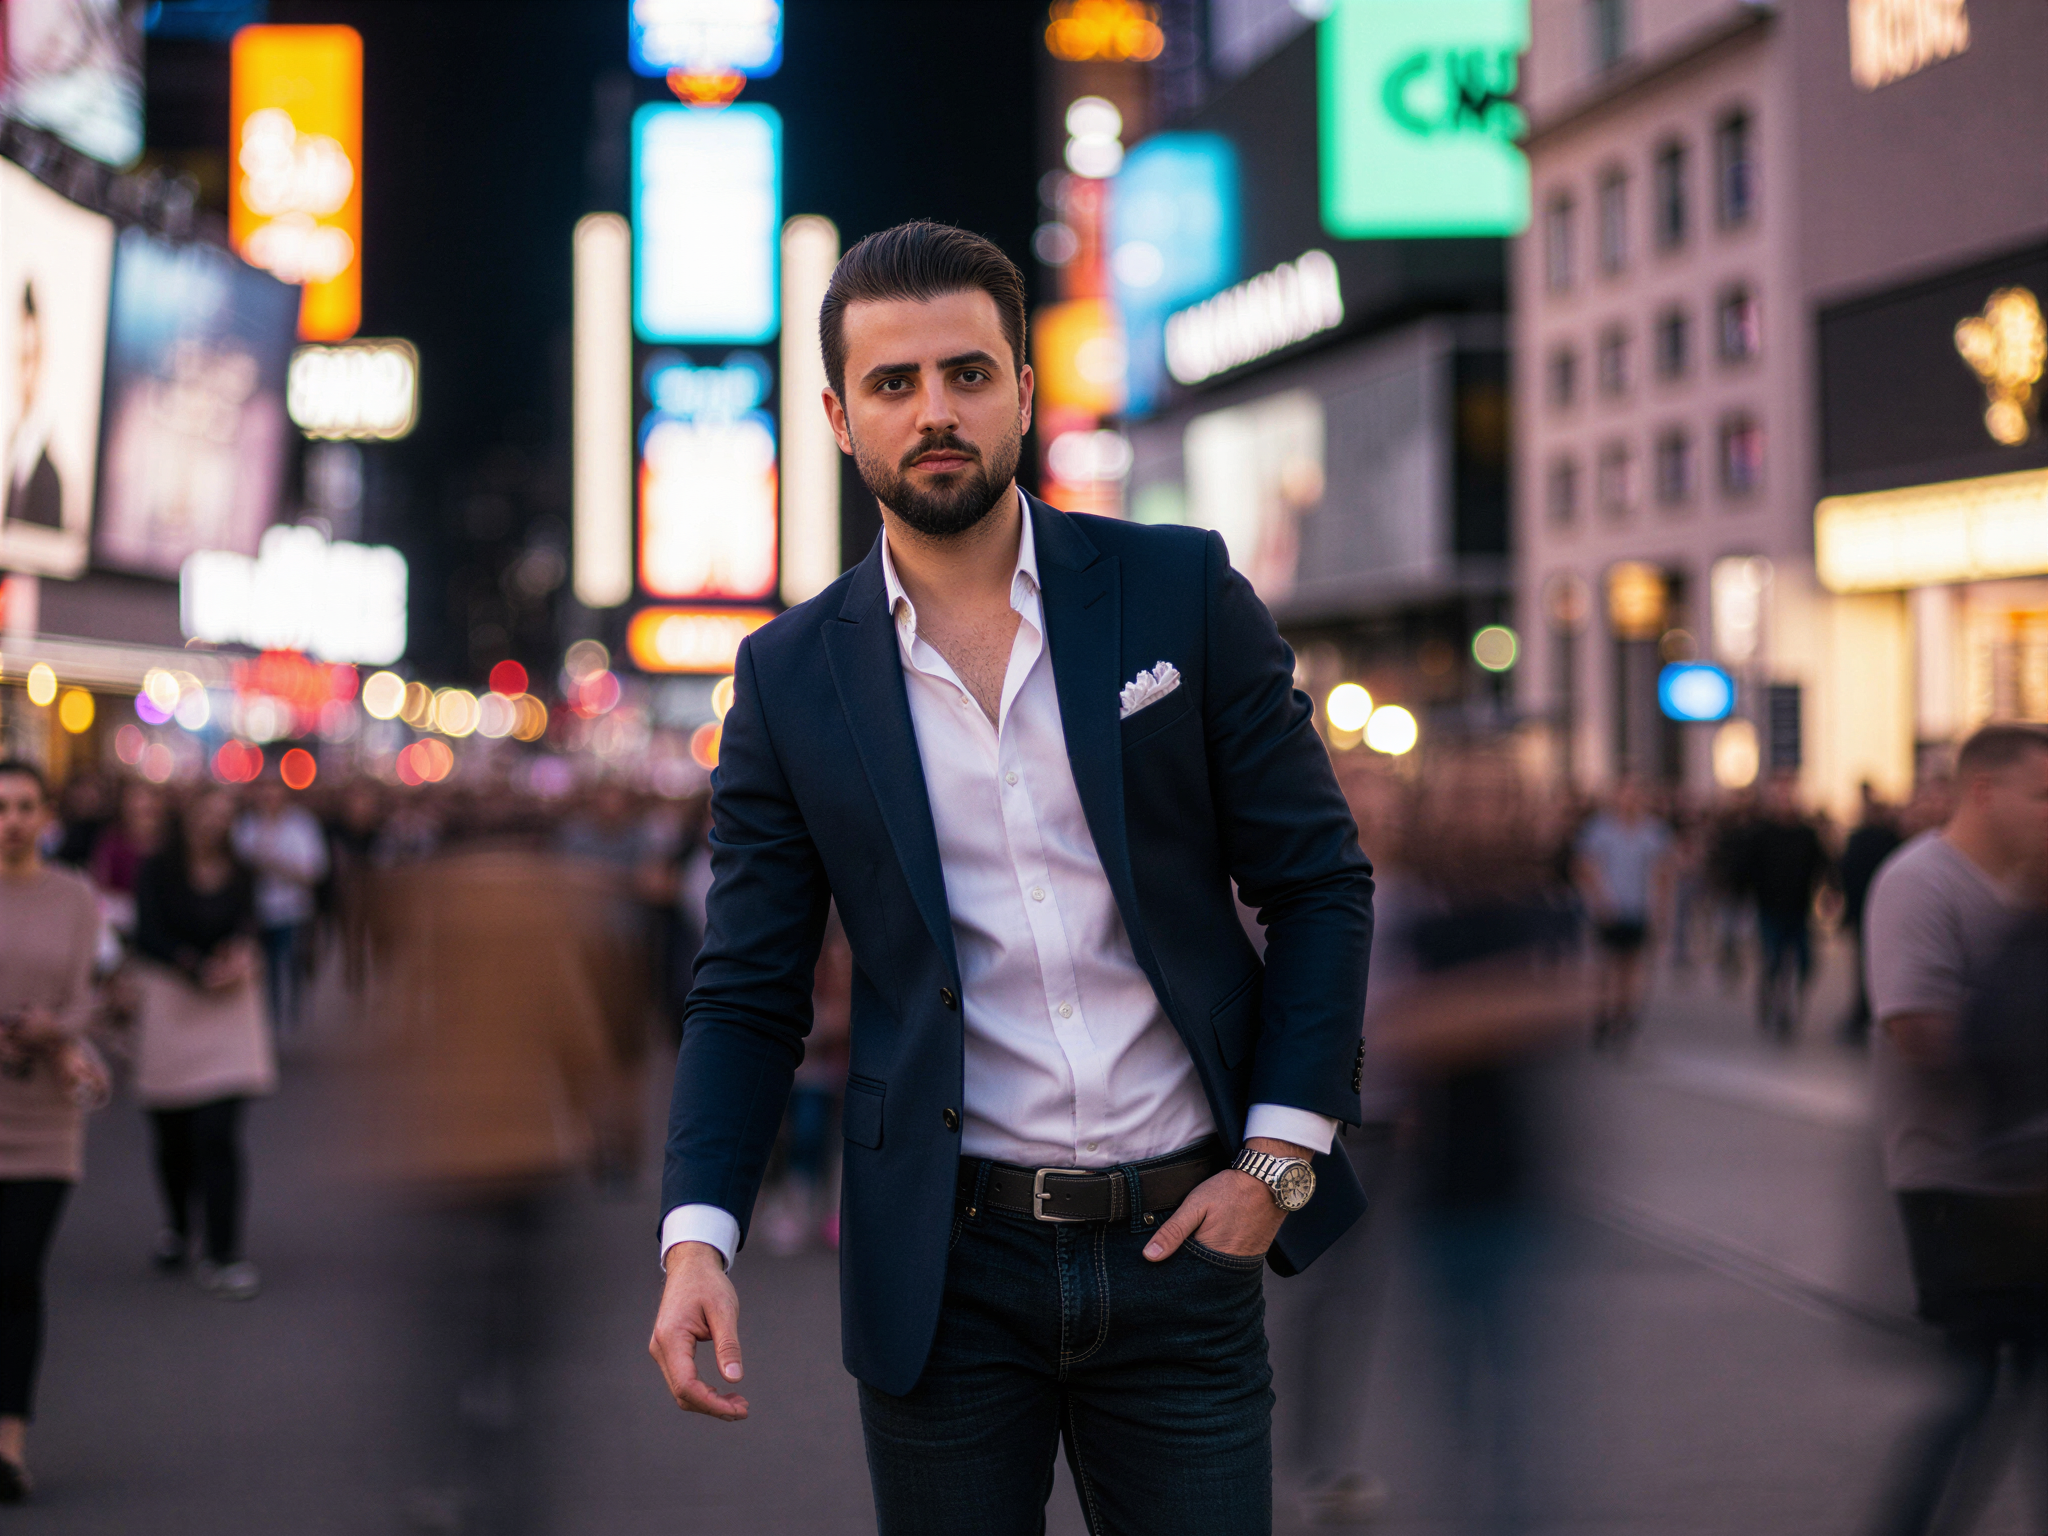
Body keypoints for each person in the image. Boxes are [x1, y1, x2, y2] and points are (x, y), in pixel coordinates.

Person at [649, 222, 1374, 1536]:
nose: (936, 410)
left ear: (1026, 392)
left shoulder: (1179, 592)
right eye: (894, 382)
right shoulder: (789, 678)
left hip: (1184, 1245)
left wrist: (1276, 1166)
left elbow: (1320, 884)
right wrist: (698, 1230)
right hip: (945, 1266)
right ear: (838, 414)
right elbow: (748, 991)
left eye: (970, 374)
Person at [1862, 723, 2048, 1536]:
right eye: (2043, 795)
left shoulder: (2027, 889)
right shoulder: (1921, 883)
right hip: (1956, 1185)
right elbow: (1916, 1028)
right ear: (1985, 792)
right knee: (1972, 1388)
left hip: (2028, 1182)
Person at [0, 761, 109, 1503]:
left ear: (46, 816)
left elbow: (84, 998)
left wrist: (52, 1031)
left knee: (16, 1273)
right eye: (0, 806)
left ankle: (8, 1444)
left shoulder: (75, 897)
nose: (12, 819)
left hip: (44, 1119)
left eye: (25, 806)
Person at [133, 788, 276, 1300]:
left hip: (227, 1008)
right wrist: (193, 966)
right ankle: (178, 1222)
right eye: (206, 813)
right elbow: (147, 932)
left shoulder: (242, 872)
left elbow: (249, 924)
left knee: (219, 1132)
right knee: (173, 1132)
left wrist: (238, 956)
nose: (214, 824)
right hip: (173, 1000)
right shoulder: (157, 870)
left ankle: (224, 1249)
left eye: (225, 815)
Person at [1572, 778, 1670, 1048]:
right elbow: (1586, 866)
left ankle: (1624, 1017)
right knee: (1606, 966)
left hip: (1638, 909)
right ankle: (1603, 1012)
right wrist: (1599, 900)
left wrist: (1660, 910)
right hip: (1609, 910)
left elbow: (1662, 872)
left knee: (1631, 966)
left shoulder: (1653, 831)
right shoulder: (1600, 829)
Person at [232, 773, 329, 1037]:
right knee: (265, 969)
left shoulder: (302, 825)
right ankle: (268, 1020)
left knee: (289, 963)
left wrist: (273, 865)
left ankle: (290, 1013)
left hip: (292, 911)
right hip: (257, 912)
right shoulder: (247, 826)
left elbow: (314, 872)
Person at [1739, 774, 1833, 1041]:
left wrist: (1830, 893)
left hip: (1799, 909)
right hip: (1769, 908)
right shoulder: (1761, 833)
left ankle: (1789, 1003)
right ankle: (1774, 1000)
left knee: (1804, 962)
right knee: (1774, 958)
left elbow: (1823, 864)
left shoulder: (1806, 833)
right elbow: (1745, 868)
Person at [1836, 781, 1903, 1046]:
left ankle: (1867, 1011)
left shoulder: (1884, 839)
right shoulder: (1862, 838)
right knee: (1865, 965)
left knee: (1869, 965)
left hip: (1872, 911)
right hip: (1864, 911)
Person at [5, 286, 63, 531]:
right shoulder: (13, 441)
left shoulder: (49, 465)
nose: (25, 374)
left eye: (31, 359)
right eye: (20, 359)